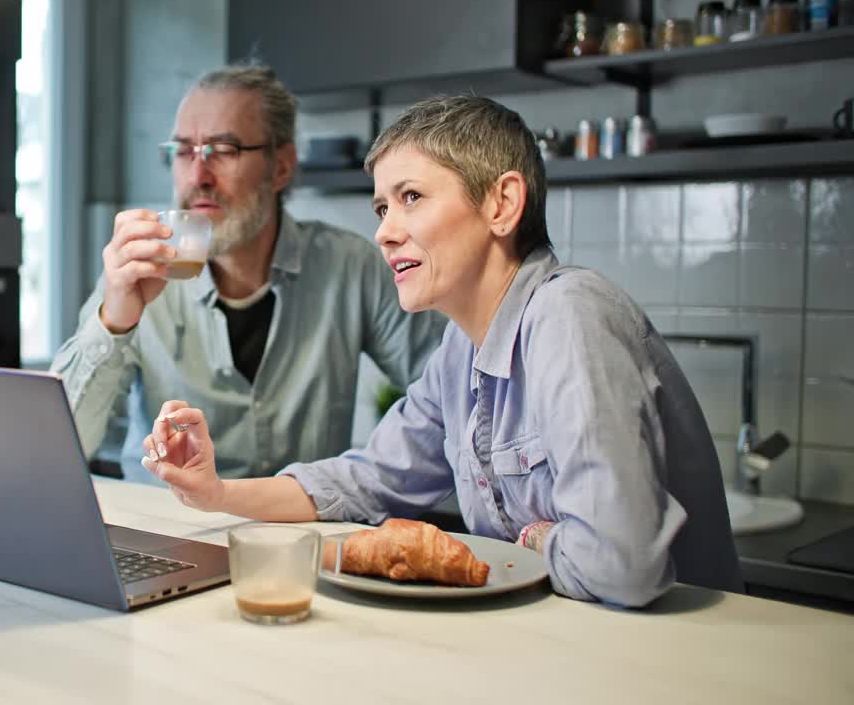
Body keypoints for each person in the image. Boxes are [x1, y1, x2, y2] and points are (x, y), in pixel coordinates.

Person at [139, 95, 742, 608]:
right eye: (381, 206)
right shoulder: (461, 351)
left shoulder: (569, 316)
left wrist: (532, 543)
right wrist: (215, 494)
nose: (384, 230)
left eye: (411, 197)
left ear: (502, 204)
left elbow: (623, 567)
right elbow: (367, 480)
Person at [51, 64, 445, 482]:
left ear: (281, 167)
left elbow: (450, 392)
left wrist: (373, 476)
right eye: (184, 151)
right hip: (168, 534)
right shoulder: (135, 272)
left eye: (223, 151)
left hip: (297, 538)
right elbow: (62, 447)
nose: (198, 177)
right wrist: (114, 321)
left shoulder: (349, 266)